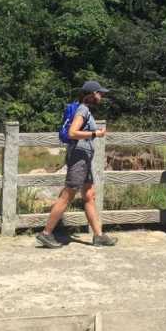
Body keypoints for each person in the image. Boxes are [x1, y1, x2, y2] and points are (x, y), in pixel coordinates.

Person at [37, 80, 118, 248]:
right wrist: (95, 133)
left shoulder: (86, 110)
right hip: (79, 158)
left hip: (84, 158)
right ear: (91, 95)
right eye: (99, 93)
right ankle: (46, 233)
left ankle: (99, 235)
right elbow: (73, 132)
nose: (101, 96)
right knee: (68, 195)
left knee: (89, 195)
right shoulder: (83, 110)